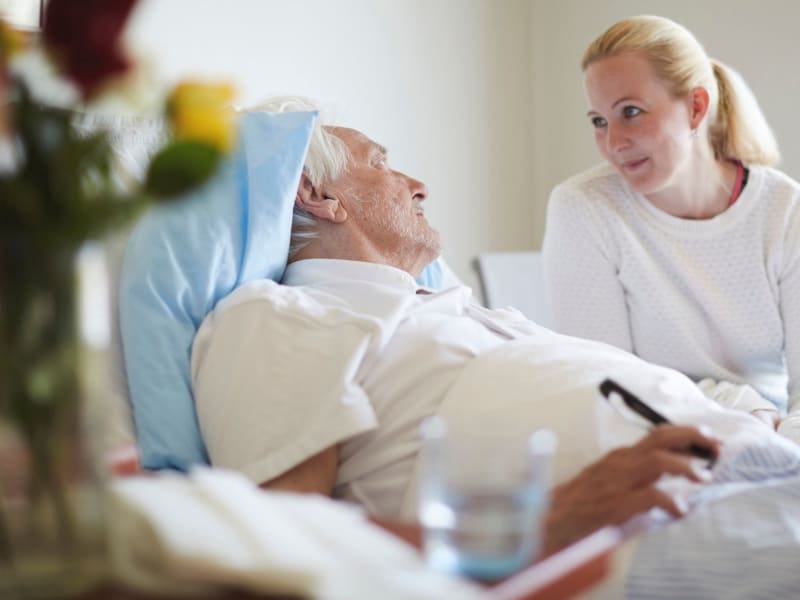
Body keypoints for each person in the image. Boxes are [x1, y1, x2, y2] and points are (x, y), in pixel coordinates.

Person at [190, 97, 724, 558]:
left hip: (726, 465)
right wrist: (531, 527)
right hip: (645, 530)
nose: (418, 185)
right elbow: (287, 543)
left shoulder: (459, 312)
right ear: (315, 193)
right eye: (379, 163)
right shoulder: (280, 315)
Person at [542, 15, 800, 443]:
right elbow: (610, 385)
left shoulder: (785, 212)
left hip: (775, 437)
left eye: (631, 112)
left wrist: (779, 445)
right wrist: (740, 406)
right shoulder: (584, 208)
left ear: (696, 107)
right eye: (598, 121)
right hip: (651, 439)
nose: (613, 142)